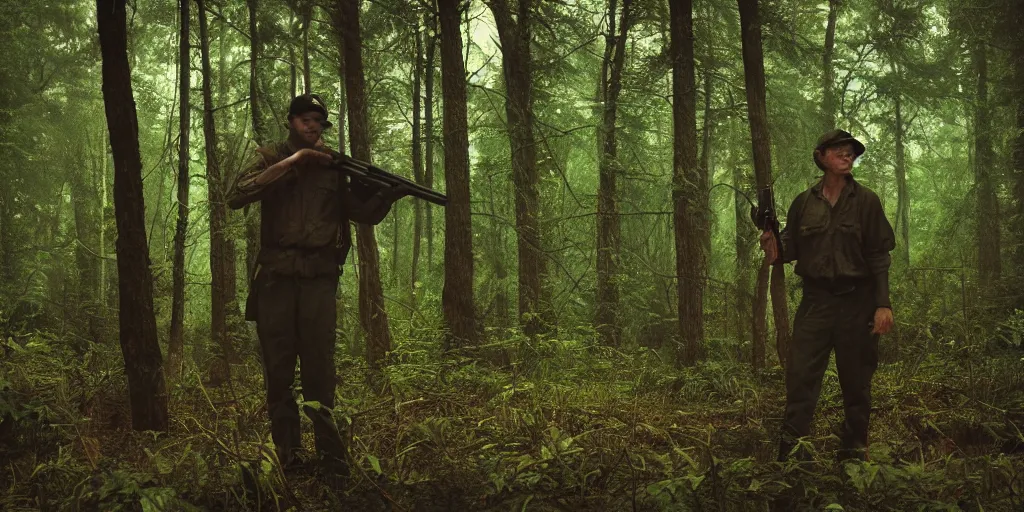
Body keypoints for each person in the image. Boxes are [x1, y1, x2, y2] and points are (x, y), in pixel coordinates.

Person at [227, 94, 408, 478]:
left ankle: (332, 459)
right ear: (291, 121)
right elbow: (237, 195)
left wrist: (387, 195)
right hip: (275, 280)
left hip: (319, 282)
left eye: (319, 122)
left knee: (320, 372)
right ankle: (289, 457)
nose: (313, 127)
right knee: (278, 372)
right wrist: (295, 162)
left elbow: (362, 214)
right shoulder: (271, 155)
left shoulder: (335, 165)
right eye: (306, 120)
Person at [760, 129, 895, 462]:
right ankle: (791, 461)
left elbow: (879, 255)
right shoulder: (803, 203)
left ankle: (853, 459)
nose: (847, 155)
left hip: (858, 303)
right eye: (839, 150)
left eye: (851, 151)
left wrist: (883, 304)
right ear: (821, 156)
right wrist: (770, 241)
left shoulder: (867, 201)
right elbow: (786, 252)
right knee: (801, 380)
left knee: (857, 385)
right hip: (815, 303)